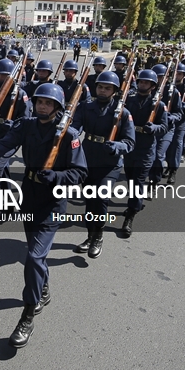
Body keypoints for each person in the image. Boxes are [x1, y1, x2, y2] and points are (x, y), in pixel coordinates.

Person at [0, 83, 88, 348]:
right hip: (29, 196)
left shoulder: (69, 134)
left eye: (47, 103)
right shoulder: (27, 125)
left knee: (33, 257)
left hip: (52, 202)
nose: (42, 106)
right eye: (39, 102)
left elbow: (79, 173)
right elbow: (3, 144)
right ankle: (42, 287)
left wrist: (58, 177)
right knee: (35, 253)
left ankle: (28, 314)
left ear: (57, 107)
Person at [71, 70, 135, 258]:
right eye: (100, 87)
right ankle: (90, 236)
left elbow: (130, 143)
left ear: (114, 91)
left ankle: (98, 236)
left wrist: (117, 146)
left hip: (109, 164)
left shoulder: (122, 113)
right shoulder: (86, 106)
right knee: (90, 201)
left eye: (107, 88)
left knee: (100, 200)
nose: (103, 90)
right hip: (87, 159)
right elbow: (76, 126)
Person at [120, 70, 169, 237]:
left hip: (146, 149)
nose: (142, 85)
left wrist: (154, 128)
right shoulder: (130, 100)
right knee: (130, 179)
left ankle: (130, 216)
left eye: (146, 83)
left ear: (152, 86)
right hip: (130, 146)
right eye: (141, 82)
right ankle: (134, 204)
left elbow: (164, 127)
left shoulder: (158, 105)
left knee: (138, 182)